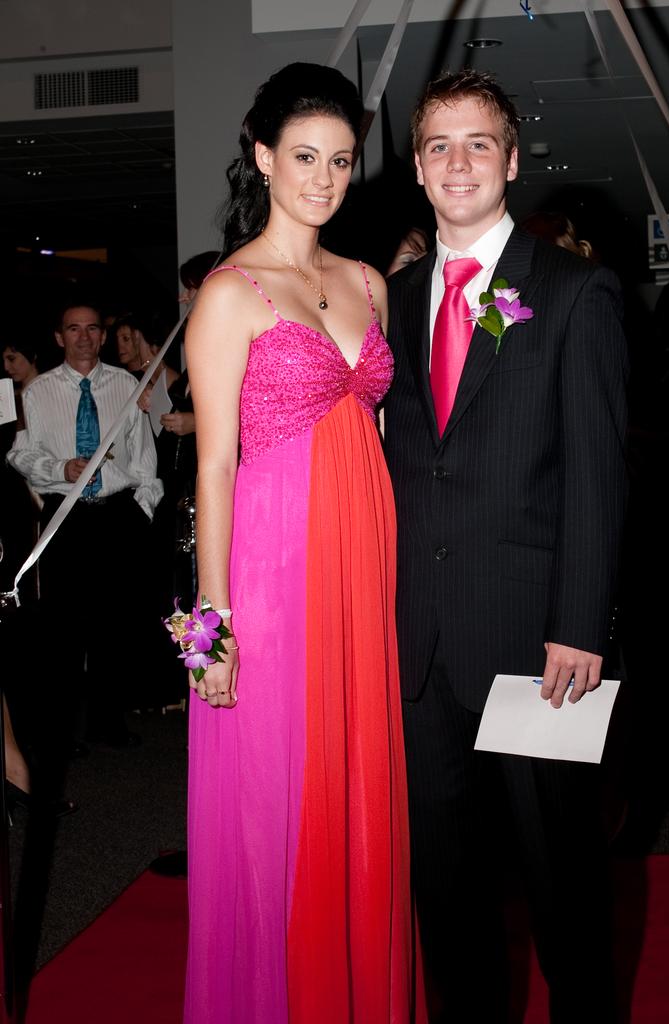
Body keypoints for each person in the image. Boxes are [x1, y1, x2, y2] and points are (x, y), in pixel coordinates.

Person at [384, 69, 628, 1023]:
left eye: (478, 143)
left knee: (561, 880)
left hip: (537, 648)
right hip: (420, 649)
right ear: (415, 165)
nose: (458, 162)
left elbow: (599, 476)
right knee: (445, 885)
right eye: (439, 144)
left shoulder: (573, 291)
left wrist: (580, 624)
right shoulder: (394, 300)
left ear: (512, 160)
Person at [183, 63, 424, 1024]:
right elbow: (210, 470)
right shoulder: (229, 292)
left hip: (362, 565)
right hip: (272, 576)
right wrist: (211, 628)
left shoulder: (366, 279)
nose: (324, 179)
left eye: (341, 161)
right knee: (276, 804)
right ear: (262, 157)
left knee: (357, 789)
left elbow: (372, 433)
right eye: (304, 158)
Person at [7, 303, 162, 751]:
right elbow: (19, 454)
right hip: (66, 516)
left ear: (102, 335)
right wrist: (61, 468)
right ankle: (62, 730)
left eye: (92, 329)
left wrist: (143, 509)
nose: (83, 337)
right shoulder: (36, 393)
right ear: (59, 337)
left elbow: (144, 455)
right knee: (63, 630)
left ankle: (107, 723)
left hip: (117, 515)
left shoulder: (127, 385)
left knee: (115, 625)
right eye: (74, 329)